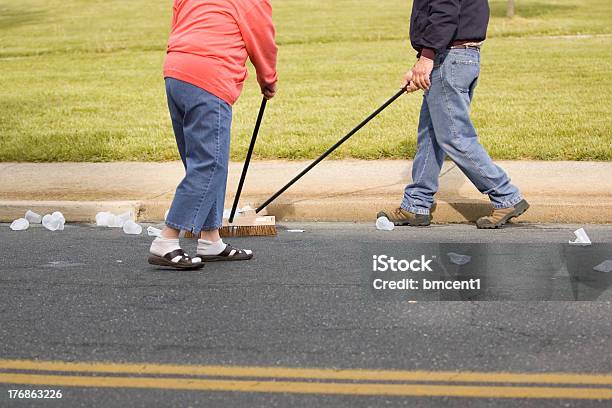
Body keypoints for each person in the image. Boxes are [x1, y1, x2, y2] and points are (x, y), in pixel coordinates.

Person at [149, 0, 278, 269]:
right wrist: (268, 79)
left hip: (176, 72)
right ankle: (167, 239)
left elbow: (179, 25)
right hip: (209, 76)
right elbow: (263, 40)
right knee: (210, 165)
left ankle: (210, 238)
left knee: (201, 162)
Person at [378, 0, 528, 229]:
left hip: (450, 58)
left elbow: (445, 12)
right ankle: (416, 204)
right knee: (430, 136)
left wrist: (427, 58)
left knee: (455, 137)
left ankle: (506, 196)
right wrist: (422, 63)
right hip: (453, 57)